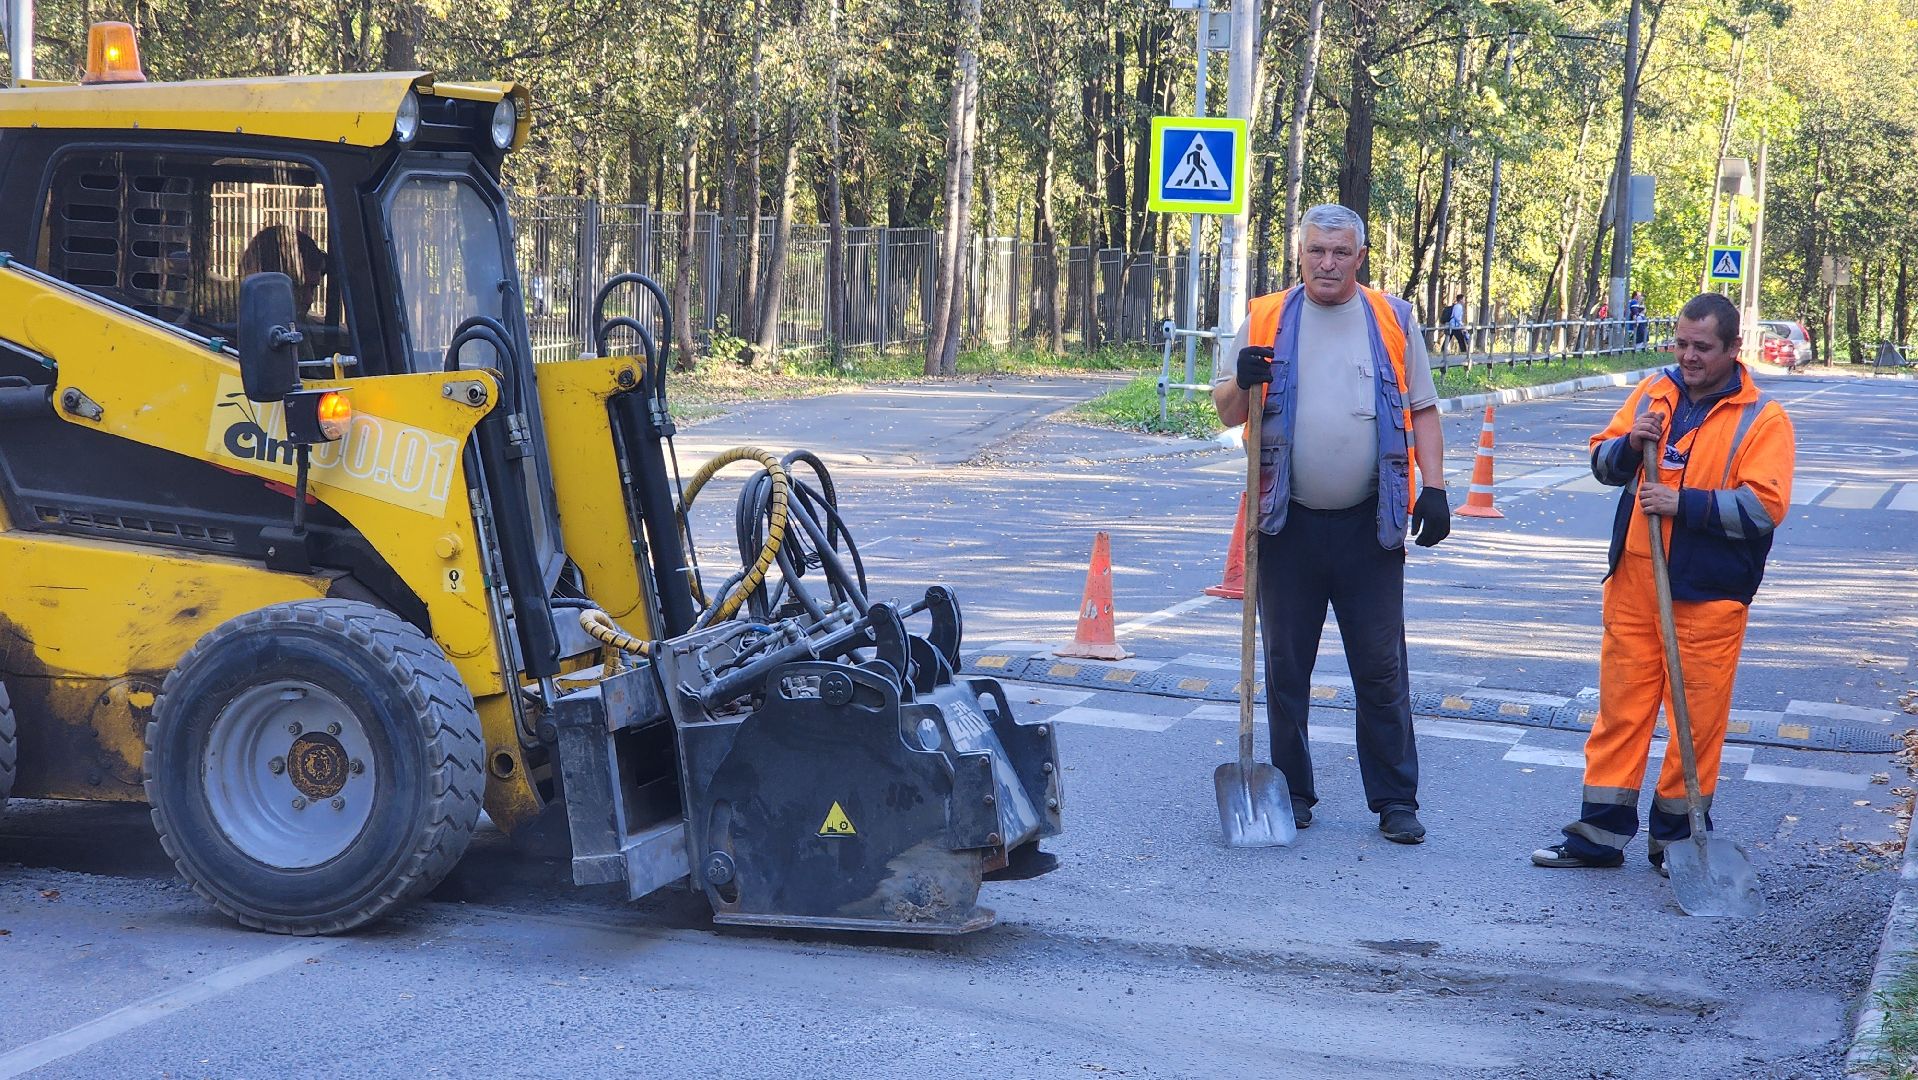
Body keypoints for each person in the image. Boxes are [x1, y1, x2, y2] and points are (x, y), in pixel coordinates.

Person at [1531, 292, 1795, 873]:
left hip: (1708, 593)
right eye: (1681, 343)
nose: (1689, 356)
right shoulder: (1655, 392)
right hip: (1634, 582)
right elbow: (1602, 463)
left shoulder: (1761, 419)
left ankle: (1677, 841)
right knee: (1620, 712)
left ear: (1733, 348)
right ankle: (1597, 836)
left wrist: (1682, 504)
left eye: (1703, 347)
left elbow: (1763, 509)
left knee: (1695, 721)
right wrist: (1631, 443)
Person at [1212, 203, 1449, 845]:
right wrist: (1241, 381)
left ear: (1361, 257)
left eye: (1341, 252)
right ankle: (1291, 792)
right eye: (1317, 250)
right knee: (1286, 666)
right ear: (1300, 254)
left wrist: (1437, 488)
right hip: (1285, 527)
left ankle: (1396, 799)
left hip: (1369, 527)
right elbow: (1228, 412)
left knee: (1379, 667)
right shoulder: (1264, 318)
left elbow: (1421, 408)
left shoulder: (1392, 318)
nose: (1328, 262)